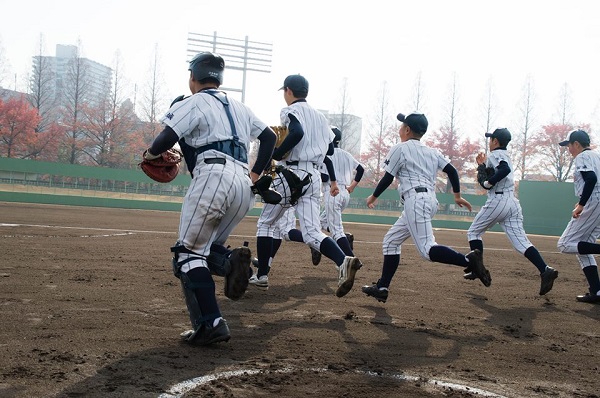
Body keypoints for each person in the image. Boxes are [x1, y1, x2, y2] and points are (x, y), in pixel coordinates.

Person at [144, 52, 276, 345]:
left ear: (193, 78)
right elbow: (269, 138)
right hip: (242, 184)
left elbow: (164, 138)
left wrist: (150, 154)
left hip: (213, 175)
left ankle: (212, 323)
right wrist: (255, 174)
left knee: (187, 255)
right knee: (206, 248)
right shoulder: (241, 107)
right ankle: (230, 259)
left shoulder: (192, 101)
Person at [250, 74, 362, 297]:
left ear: (289, 90)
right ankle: (343, 261)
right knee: (312, 231)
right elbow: (329, 151)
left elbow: (297, 132)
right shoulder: (321, 118)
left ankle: (262, 276)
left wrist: (278, 153)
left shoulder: (290, 111)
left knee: (266, 223)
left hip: (292, 171)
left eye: (284, 91)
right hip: (313, 175)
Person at [362, 112, 491, 303]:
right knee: (390, 241)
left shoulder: (400, 148)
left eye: (402, 126)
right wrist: (457, 195)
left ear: (407, 129)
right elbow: (452, 171)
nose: (400, 129)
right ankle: (382, 287)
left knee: (427, 249)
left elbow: (388, 177)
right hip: (426, 200)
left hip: (416, 201)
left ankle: (469, 261)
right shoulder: (432, 151)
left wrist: (372, 196)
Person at [463, 128, 558, 295]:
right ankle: (545, 269)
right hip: (511, 202)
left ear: (495, 141)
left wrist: (488, 182)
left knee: (473, 233)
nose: (489, 141)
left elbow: (503, 170)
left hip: (498, 201)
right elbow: (501, 170)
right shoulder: (504, 155)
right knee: (522, 243)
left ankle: (478, 270)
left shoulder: (496, 154)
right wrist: (482, 167)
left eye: (491, 139)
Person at [556, 129, 600, 303]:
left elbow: (591, 179)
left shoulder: (582, 156)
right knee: (583, 247)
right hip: (596, 201)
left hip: (594, 201)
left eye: (569, 145)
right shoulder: (597, 156)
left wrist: (582, 204)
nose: (569, 150)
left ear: (576, 144)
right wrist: (583, 200)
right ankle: (597, 291)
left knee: (565, 244)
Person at [310, 127, 364, 265]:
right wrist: (352, 186)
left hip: (333, 192)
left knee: (336, 231)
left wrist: (312, 172)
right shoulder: (346, 154)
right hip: (345, 193)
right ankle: (345, 238)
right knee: (321, 222)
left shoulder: (325, 155)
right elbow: (361, 169)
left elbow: (325, 176)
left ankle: (352, 260)